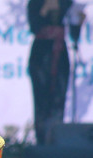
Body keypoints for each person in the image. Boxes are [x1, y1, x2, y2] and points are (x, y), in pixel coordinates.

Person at [28, 0, 78, 144]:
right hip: (41, 55)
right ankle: (41, 141)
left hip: (60, 52)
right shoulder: (35, 2)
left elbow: (73, 23)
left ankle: (56, 141)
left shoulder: (65, 2)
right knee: (41, 101)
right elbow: (33, 26)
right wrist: (44, 9)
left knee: (59, 99)